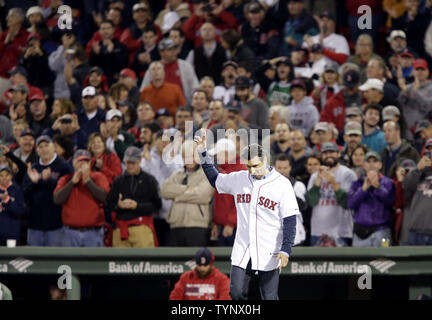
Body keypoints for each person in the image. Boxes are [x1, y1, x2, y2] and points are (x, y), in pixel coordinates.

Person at [195, 131, 298, 300]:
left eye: (256, 165)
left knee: (270, 297)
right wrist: (203, 153)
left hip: (269, 248)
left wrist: (286, 249)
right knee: (235, 293)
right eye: (248, 166)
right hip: (243, 247)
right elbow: (215, 179)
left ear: (265, 160)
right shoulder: (240, 178)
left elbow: (289, 219)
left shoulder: (282, 184)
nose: (252, 170)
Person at [106, 146, 162, 248]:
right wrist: (118, 206)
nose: (130, 166)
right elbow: (109, 203)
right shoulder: (118, 181)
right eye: (127, 163)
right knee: (119, 264)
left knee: (144, 263)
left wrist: (138, 206)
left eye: (133, 163)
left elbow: (157, 204)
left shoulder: (149, 180)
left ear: (140, 160)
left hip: (141, 228)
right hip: (121, 228)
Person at [161, 140, 214, 246]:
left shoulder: (206, 175)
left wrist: (176, 195)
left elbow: (203, 195)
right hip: (176, 224)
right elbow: (164, 191)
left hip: (198, 225)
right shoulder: (177, 175)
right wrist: (188, 189)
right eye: (186, 156)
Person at [22, 135, 72, 246]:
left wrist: (48, 180)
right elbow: (24, 194)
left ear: (53, 147)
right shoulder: (32, 168)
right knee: (33, 261)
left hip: (56, 225)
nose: (44, 149)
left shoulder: (64, 167)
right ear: (37, 151)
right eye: (40, 146)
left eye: (46, 145)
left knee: (55, 261)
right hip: (34, 225)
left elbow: (67, 192)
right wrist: (34, 183)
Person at [53, 150, 110, 247]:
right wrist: (72, 183)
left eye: (86, 162)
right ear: (73, 162)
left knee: (93, 261)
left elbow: (105, 198)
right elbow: (57, 200)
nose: (82, 165)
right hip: (70, 232)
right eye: (79, 161)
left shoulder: (98, 177)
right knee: (70, 262)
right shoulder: (66, 179)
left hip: (93, 232)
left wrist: (87, 181)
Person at [306, 142, 357, 246]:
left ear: (338, 154)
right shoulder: (315, 176)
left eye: (332, 152)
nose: (328, 155)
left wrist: (333, 182)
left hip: (341, 232)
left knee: (342, 263)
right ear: (321, 156)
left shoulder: (348, 174)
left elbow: (348, 203)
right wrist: (318, 181)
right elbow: (310, 202)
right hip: (318, 231)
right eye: (325, 153)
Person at [347, 151, 395, 247]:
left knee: (383, 260)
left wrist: (378, 187)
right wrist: (363, 189)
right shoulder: (357, 183)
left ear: (380, 165)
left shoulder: (388, 183)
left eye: (375, 161)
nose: (371, 164)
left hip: (381, 231)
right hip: (360, 233)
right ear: (364, 165)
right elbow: (350, 204)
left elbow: (390, 202)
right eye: (368, 162)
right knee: (359, 261)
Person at [208, 138, 246, 247]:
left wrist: (231, 223)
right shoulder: (224, 170)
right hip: (224, 226)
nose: (215, 157)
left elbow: (242, 200)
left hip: (235, 228)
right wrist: (216, 222)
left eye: (217, 154)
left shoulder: (241, 171)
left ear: (225, 153)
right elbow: (219, 200)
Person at [274, 154, 307, 246]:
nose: (282, 171)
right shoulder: (266, 186)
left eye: (285, 168)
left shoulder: (298, 185)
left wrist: (285, 190)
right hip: (273, 233)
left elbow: (302, 206)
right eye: (279, 168)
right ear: (274, 168)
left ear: (290, 168)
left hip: (294, 234)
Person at [402, 151, 432, 245]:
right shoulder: (418, 172)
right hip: (416, 229)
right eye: (429, 149)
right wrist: (417, 170)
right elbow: (406, 185)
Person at [0, 164, 25, 246]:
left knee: (12, 258)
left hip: (12, 234)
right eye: (1, 175)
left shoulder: (17, 190)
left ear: (11, 176)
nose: (4, 178)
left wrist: (7, 200)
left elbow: (20, 212)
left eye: (7, 175)